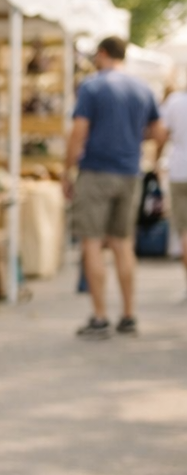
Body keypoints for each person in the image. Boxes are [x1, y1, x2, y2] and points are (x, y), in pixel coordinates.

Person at [64, 36, 166, 339]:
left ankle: (99, 317)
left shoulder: (93, 86)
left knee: (92, 243)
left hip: (96, 172)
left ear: (102, 53)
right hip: (129, 172)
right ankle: (129, 314)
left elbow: (78, 132)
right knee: (123, 244)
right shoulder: (141, 88)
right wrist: (136, 142)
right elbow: (159, 133)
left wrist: (66, 170)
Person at [160, 80, 187, 292]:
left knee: (185, 230)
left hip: (179, 171)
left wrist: (157, 156)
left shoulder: (175, 102)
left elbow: (162, 134)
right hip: (178, 170)